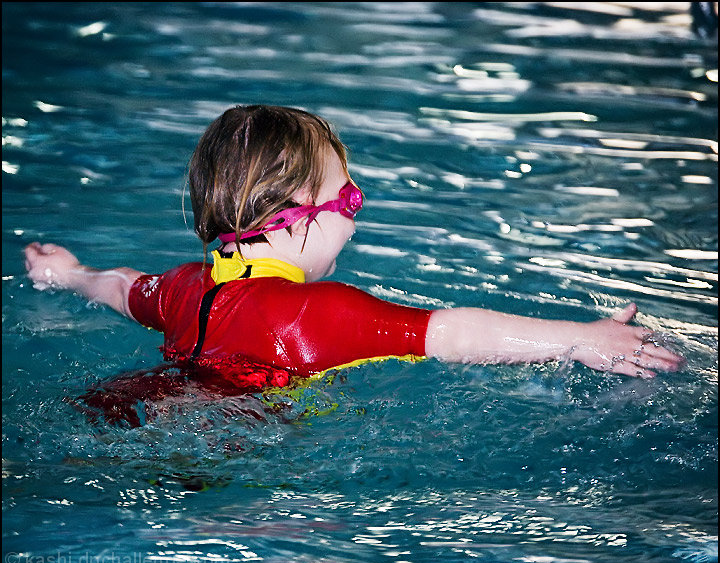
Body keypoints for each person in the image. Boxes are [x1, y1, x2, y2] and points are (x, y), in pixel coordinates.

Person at [24, 104, 684, 387]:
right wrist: (576, 338)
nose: (356, 217)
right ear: (300, 218)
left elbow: (118, 286)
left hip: (131, 403)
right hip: (223, 450)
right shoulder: (317, 314)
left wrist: (70, 274)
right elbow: (451, 333)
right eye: (352, 199)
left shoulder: (183, 289)